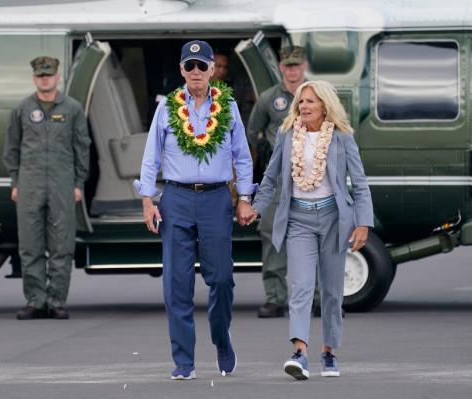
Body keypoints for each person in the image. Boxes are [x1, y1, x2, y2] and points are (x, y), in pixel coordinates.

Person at [134, 40, 255, 380]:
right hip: (176, 198)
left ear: (213, 70)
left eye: (203, 66)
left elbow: (242, 156)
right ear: (182, 70)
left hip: (216, 199)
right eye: (191, 66)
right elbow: (150, 157)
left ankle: (221, 337)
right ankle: (184, 360)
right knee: (177, 283)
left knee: (222, 279)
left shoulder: (227, 106)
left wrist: (244, 197)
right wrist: (147, 199)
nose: (197, 72)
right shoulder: (168, 106)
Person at [239, 80, 373, 379]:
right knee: (299, 287)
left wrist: (364, 222)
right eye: (301, 101)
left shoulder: (342, 137)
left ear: (325, 105)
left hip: (333, 219)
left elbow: (360, 183)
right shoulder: (287, 136)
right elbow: (271, 177)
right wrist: (256, 207)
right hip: (298, 219)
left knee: (331, 292)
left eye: (310, 101)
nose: (304, 106)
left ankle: (329, 353)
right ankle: (299, 352)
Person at [3, 56, 91, 320]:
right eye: (40, 76)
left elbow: (82, 147)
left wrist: (78, 183)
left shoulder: (73, 109)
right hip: (29, 184)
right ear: (34, 79)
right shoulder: (22, 109)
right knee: (30, 245)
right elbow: (12, 148)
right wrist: (15, 182)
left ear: (57, 78)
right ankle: (35, 300)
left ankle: (57, 301)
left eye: (49, 75)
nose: (45, 79)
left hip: (62, 184)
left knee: (61, 244)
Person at [246, 45, 320, 318]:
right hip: (279, 179)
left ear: (304, 66)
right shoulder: (269, 98)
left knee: (316, 236)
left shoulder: (318, 96)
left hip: (313, 178)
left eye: (296, 65)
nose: (292, 70)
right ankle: (276, 298)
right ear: (280, 67)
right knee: (272, 235)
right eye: (287, 65)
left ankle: (320, 298)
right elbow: (253, 131)